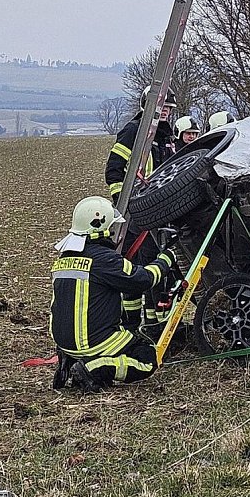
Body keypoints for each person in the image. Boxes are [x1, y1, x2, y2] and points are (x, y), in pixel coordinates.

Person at [50, 196, 177, 392]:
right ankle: (94, 368)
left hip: (64, 341)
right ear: (101, 227)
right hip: (92, 342)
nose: (113, 233)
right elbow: (142, 280)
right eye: (111, 227)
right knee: (148, 359)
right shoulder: (104, 259)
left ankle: (71, 359)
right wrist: (166, 259)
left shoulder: (66, 256)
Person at [104, 87, 177, 327]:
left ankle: (158, 323)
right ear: (147, 106)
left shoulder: (167, 137)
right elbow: (114, 170)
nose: (165, 111)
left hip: (164, 213)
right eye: (161, 107)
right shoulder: (134, 132)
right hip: (139, 215)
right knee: (140, 268)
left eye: (168, 108)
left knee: (161, 269)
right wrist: (125, 205)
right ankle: (133, 324)